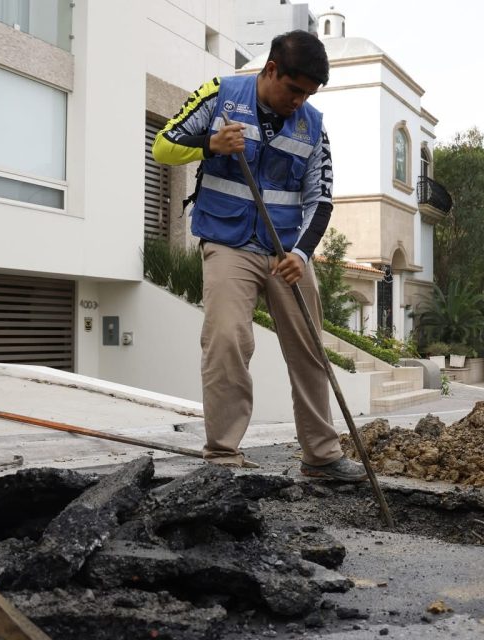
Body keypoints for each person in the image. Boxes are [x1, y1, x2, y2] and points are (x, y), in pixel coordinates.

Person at [152, 31, 365, 481]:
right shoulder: (221, 96)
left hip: (284, 251)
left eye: (308, 93)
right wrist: (210, 145)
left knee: (309, 348)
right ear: (271, 70)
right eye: (293, 89)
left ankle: (321, 456)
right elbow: (164, 145)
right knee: (228, 338)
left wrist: (302, 254)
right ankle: (223, 454)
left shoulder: (312, 124)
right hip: (228, 243)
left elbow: (321, 200)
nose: (298, 101)